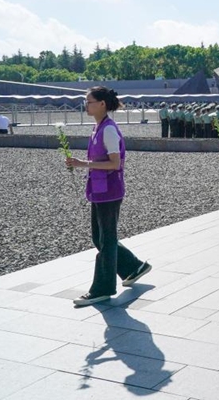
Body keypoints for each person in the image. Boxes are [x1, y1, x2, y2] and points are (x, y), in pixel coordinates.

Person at [65, 87, 151, 306]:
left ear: (102, 103)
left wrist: (83, 164)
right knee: (100, 237)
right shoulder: (98, 127)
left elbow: (115, 163)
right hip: (99, 190)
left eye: (89, 101)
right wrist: (81, 164)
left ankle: (102, 288)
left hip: (109, 191)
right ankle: (134, 266)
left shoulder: (109, 130)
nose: (86, 105)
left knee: (107, 239)